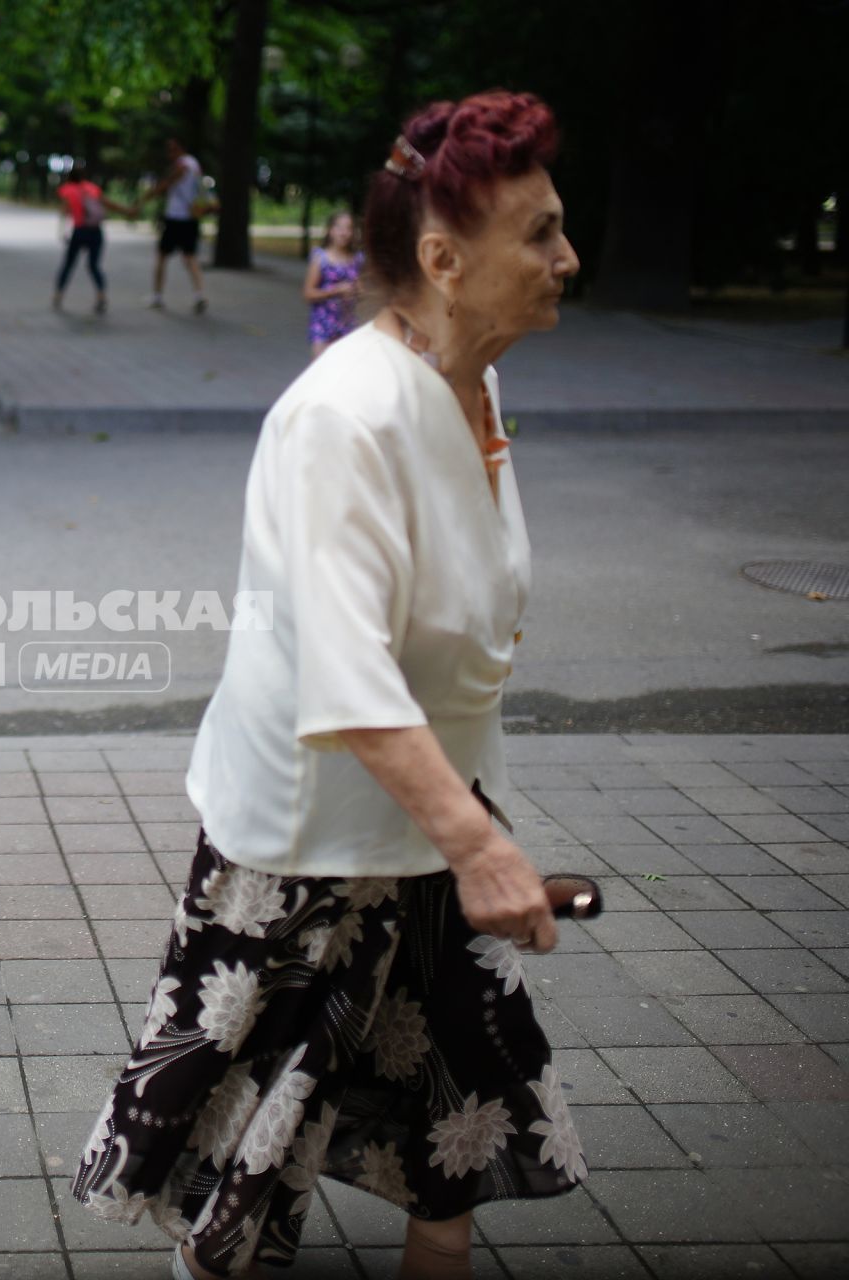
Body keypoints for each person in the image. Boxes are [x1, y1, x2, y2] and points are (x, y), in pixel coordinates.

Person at [72, 91, 586, 1280]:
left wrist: (466, 829)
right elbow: (347, 676)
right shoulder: (343, 418)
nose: (569, 256)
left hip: (433, 814)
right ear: (446, 260)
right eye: (542, 233)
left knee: (461, 1068)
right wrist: (481, 845)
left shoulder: (474, 383)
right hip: (311, 835)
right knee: (257, 1115)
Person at [52, 165, 135, 314]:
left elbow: (65, 211)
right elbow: (109, 204)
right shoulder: (92, 188)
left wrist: (62, 231)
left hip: (79, 231)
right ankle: (101, 296)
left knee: (69, 264)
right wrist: (127, 211)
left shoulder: (67, 189)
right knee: (94, 266)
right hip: (96, 231)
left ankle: (58, 295)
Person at [146, 137, 208, 313]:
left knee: (162, 256)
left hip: (176, 217)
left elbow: (170, 181)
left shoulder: (184, 164)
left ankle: (157, 296)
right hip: (190, 216)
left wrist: (150, 194)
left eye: (172, 149)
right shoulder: (195, 163)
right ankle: (199, 294)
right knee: (190, 257)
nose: (169, 153)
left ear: (180, 148)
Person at [303, 209, 364, 357]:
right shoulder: (321, 258)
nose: (344, 233)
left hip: (348, 325)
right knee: (321, 374)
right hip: (323, 325)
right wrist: (335, 291)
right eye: (339, 228)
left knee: (344, 374)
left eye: (349, 228)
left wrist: (358, 291)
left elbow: (362, 291)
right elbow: (308, 294)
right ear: (330, 230)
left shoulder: (358, 259)